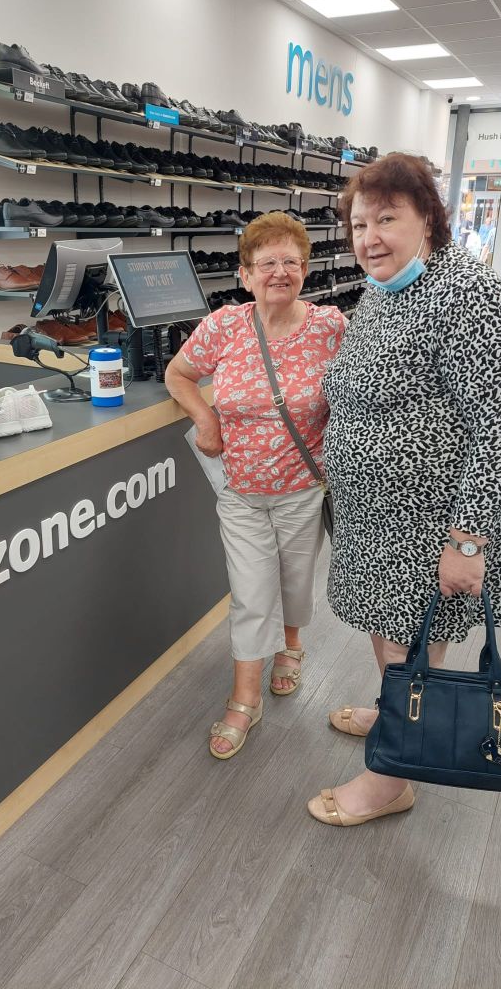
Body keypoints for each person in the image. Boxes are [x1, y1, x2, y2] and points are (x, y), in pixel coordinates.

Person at [307, 153, 501, 827]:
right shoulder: (385, 289)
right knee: (391, 636)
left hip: (430, 523)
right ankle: (393, 710)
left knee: (411, 642)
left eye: (386, 219)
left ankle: (392, 777)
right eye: (359, 224)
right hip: (376, 520)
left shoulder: (464, 294)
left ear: (428, 220)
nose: (369, 237)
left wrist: (467, 541)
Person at [165, 212, 345, 759]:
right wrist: (205, 418)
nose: (279, 272)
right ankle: (245, 697)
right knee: (250, 591)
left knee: (295, 581)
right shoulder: (223, 326)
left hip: (304, 486)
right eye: (266, 263)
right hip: (239, 490)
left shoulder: (331, 327)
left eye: (291, 261)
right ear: (245, 275)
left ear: (306, 270)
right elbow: (178, 374)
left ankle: (291, 645)